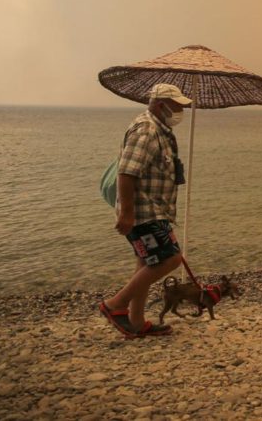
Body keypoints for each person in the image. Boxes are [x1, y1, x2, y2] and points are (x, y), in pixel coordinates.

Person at [99, 83, 192, 338]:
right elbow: (127, 172)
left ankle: (136, 322)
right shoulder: (147, 130)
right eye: (177, 106)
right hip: (144, 213)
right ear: (161, 105)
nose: (181, 111)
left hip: (154, 210)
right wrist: (127, 214)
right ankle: (115, 305)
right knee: (169, 259)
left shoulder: (160, 130)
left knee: (146, 262)